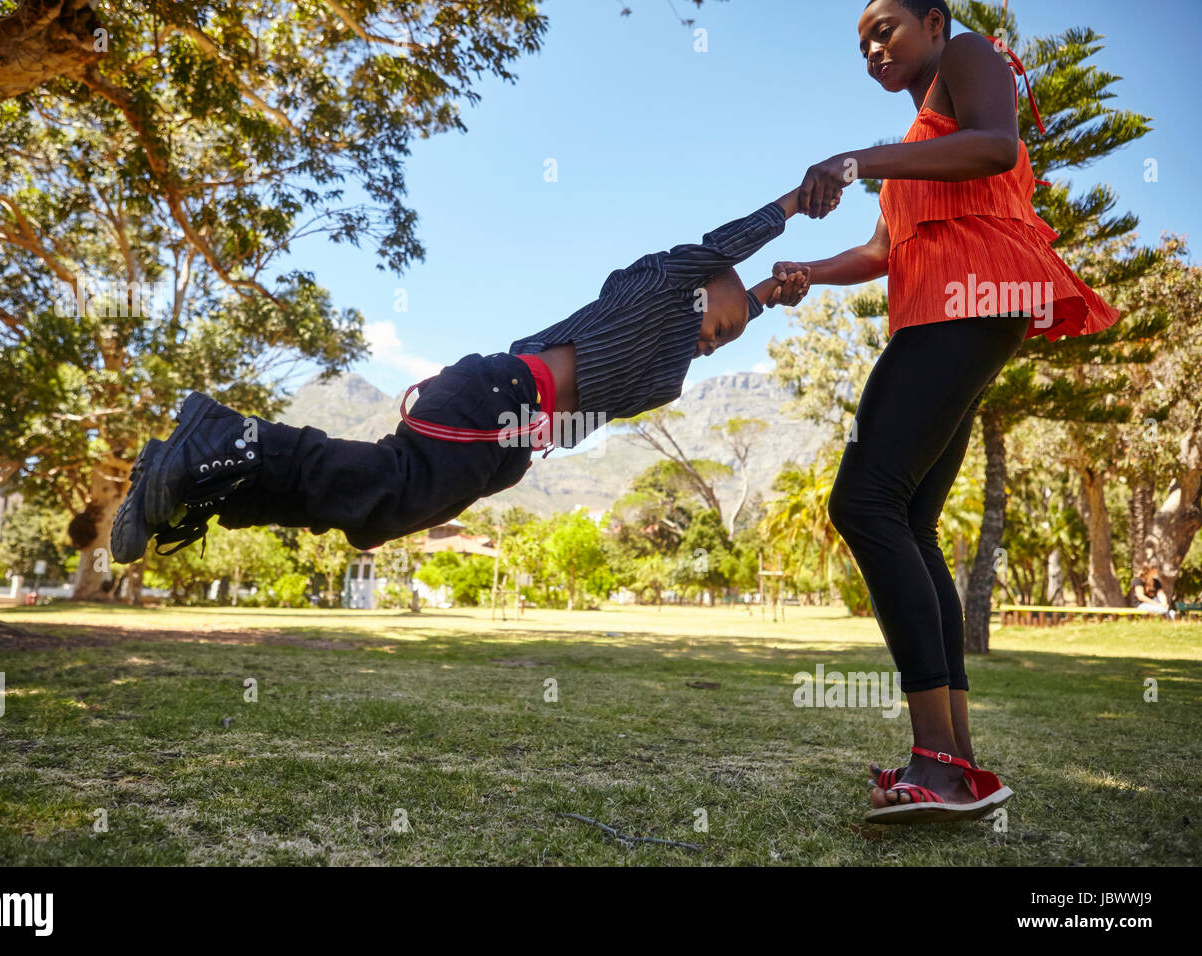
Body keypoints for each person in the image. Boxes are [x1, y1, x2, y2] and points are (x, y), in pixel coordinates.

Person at [770, 0, 1119, 822]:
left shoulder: (968, 56)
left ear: (934, 21)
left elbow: (999, 145)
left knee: (863, 501)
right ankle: (960, 764)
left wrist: (857, 158)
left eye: (885, 28)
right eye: (861, 44)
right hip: (939, 305)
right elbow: (884, 254)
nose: (872, 49)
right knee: (910, 519)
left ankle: (939, 764)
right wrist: (803, 275)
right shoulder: (919, 148)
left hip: (973, 296)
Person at [110, 189, 814, 565]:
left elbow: (728, 310)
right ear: (700, 286)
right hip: (498, 397)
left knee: (376, 513)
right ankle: (226, 439)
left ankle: (200, 480)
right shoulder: (661, 282)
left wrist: (763, 302)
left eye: (721, 343)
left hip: (509, 441)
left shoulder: (666, 358)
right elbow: (721, 248)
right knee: (389, 490)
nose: (710, 343)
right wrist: (790, 206)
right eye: (717, 327)